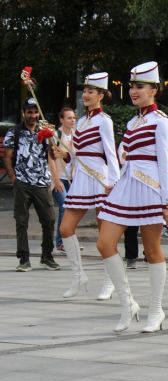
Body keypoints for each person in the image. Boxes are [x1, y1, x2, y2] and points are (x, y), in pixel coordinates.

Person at [97, 61, 168, 333]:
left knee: (152, 249)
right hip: (127, 186)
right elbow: (122, 154)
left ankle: (156, 309)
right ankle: (128, 303)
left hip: (151, 188)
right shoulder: (132, 121)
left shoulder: (160, 121)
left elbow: (164, 163)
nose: (134, 91)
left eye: (140, 86)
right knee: (105, 243)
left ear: (154, 89)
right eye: (132, 86)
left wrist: (167, 202)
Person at [59, 73, 120, 300]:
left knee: (104, 235)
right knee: (65, 228)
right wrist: (65, 155)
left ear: (101, 95)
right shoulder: (81, 122)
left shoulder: (105, 121)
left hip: (101, 180)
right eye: (84, 91)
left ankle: (110, 280)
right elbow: (77, 156)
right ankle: (78, 276)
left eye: (90, 91)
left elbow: (111, 153)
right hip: (81, 179)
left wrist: (113, 183)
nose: (85, 95)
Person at [4, 97, 63, 272]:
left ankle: (47, 256)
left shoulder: (45, 131)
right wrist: (13, 178)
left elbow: (53, 156)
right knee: (21, 221)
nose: (33, 115)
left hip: (42, 182)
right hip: (22, 182)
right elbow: (7, 156)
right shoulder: (14, 132)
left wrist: (52, 138)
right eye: (29, 112)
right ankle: (24, 259)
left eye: (35, 112)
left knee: (49, 220)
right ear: (24, 113)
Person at [53, 107, 76, 253]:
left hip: (71, 178)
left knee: (72, 209)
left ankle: (68, 240)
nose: (72, 120)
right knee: (64, 207)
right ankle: (60, 241)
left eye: (74, 118)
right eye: (69, 118)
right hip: (59, 178)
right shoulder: (56, 135)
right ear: (61, 120)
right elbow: (52, 159)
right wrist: (56, 179)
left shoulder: (76, 135)